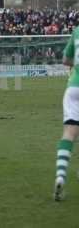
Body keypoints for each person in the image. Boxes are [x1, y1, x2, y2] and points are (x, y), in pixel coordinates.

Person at [53, 26, 79, 200]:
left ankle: (60, 175)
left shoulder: (77, 30)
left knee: (69, 131)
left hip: (74, 87)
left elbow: (65, 59)